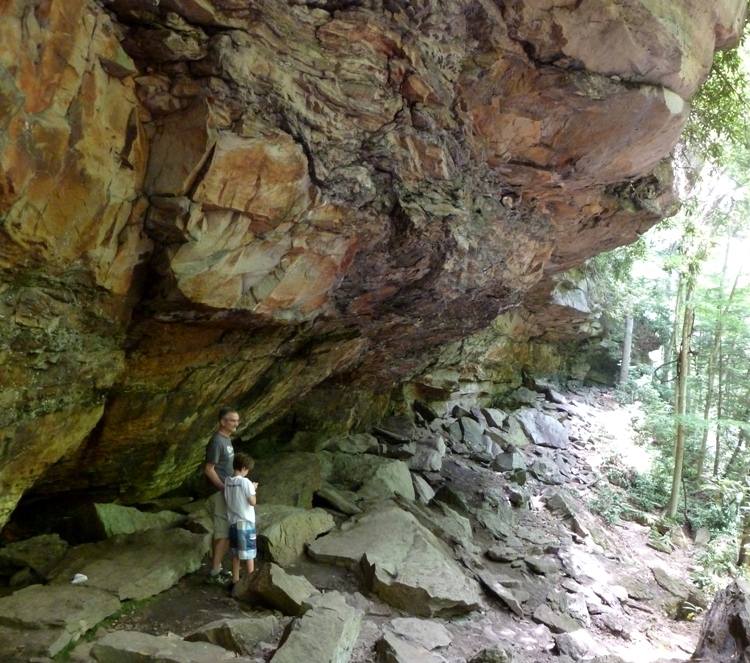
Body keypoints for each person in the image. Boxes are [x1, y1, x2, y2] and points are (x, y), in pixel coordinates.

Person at [204, 407, 239, 583]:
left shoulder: (227, 439)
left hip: (226, 490)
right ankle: (214, 573)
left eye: (237, 420)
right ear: (223, 422)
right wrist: (223, 488)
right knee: (223, 533)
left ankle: (216, 568)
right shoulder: (217, 441)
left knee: (222, 532)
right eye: (233, 420)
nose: (236, 423)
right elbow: (209, 469)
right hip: (219, 493)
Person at [224, 452, 258, 587]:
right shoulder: (246, 482)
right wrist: (254, 489)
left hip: (233, 521)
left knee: (236, 553)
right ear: (244, 468)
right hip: (245, 522)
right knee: (249, 553)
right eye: (247, 469)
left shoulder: (228, 481)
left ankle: (235, 580)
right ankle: (251, 580)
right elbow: (252, 502)